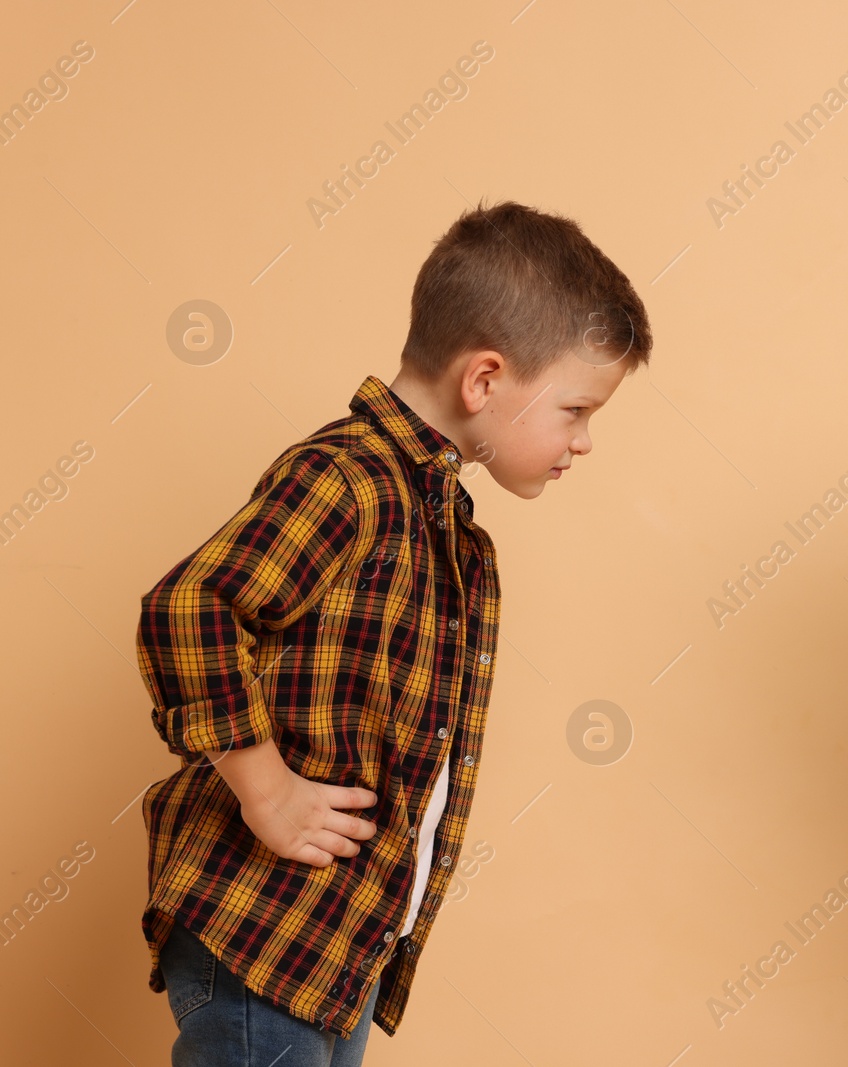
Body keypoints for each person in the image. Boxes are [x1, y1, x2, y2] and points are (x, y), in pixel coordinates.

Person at [133, 200, 651, 1066]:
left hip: (338, 947)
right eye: (575, 409)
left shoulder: (439, 520)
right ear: (484, 380)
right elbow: (188, 608)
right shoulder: (350, 481)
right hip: (266, 932)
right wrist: (264, 789)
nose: (583, 441)